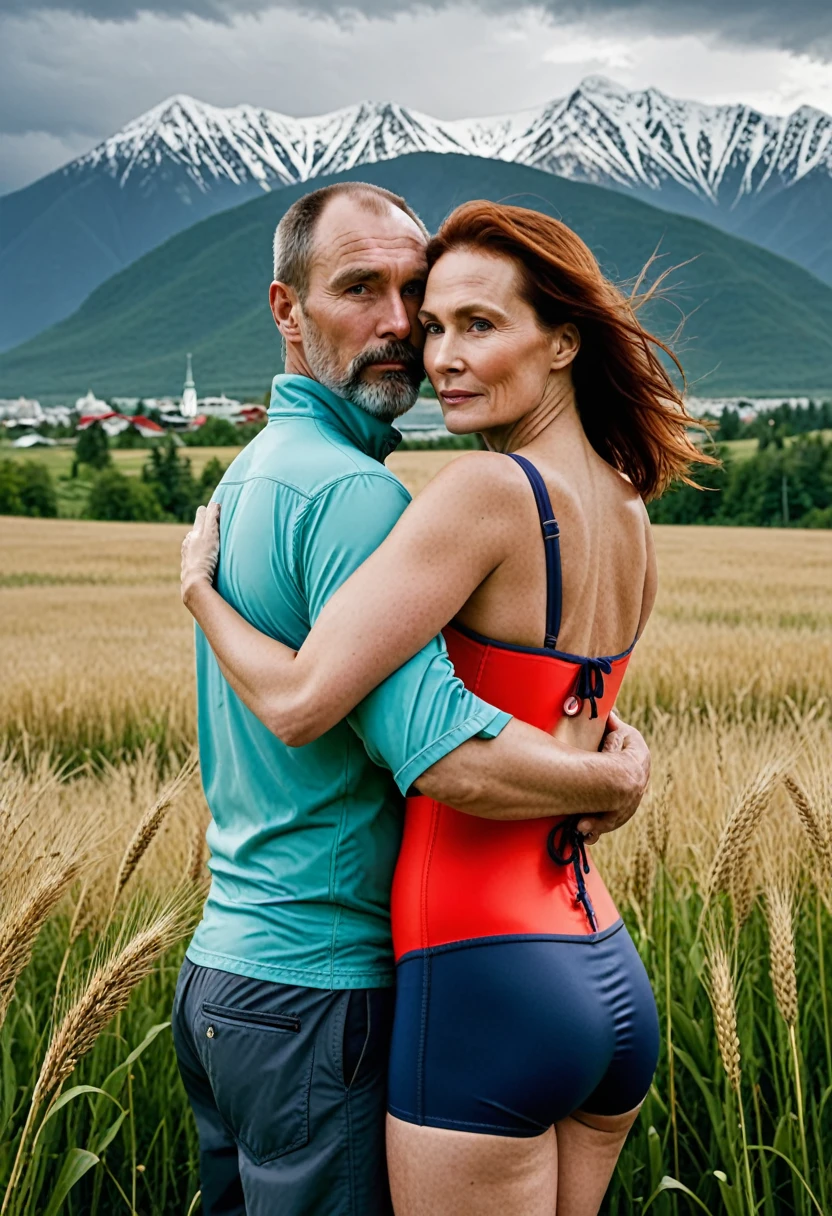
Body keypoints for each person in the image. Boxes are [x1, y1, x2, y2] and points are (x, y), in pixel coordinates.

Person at [175, 183, 657, 1216]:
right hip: (598, 962)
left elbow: (328, 710)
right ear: (288, 307)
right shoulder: (624, 505)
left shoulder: (474, 494)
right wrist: (607, 780)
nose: (429, 348)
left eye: (469, 323)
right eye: (430, 321)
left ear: (561, 343)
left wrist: (200, 596)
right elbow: (564, 715)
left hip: (477, 976)